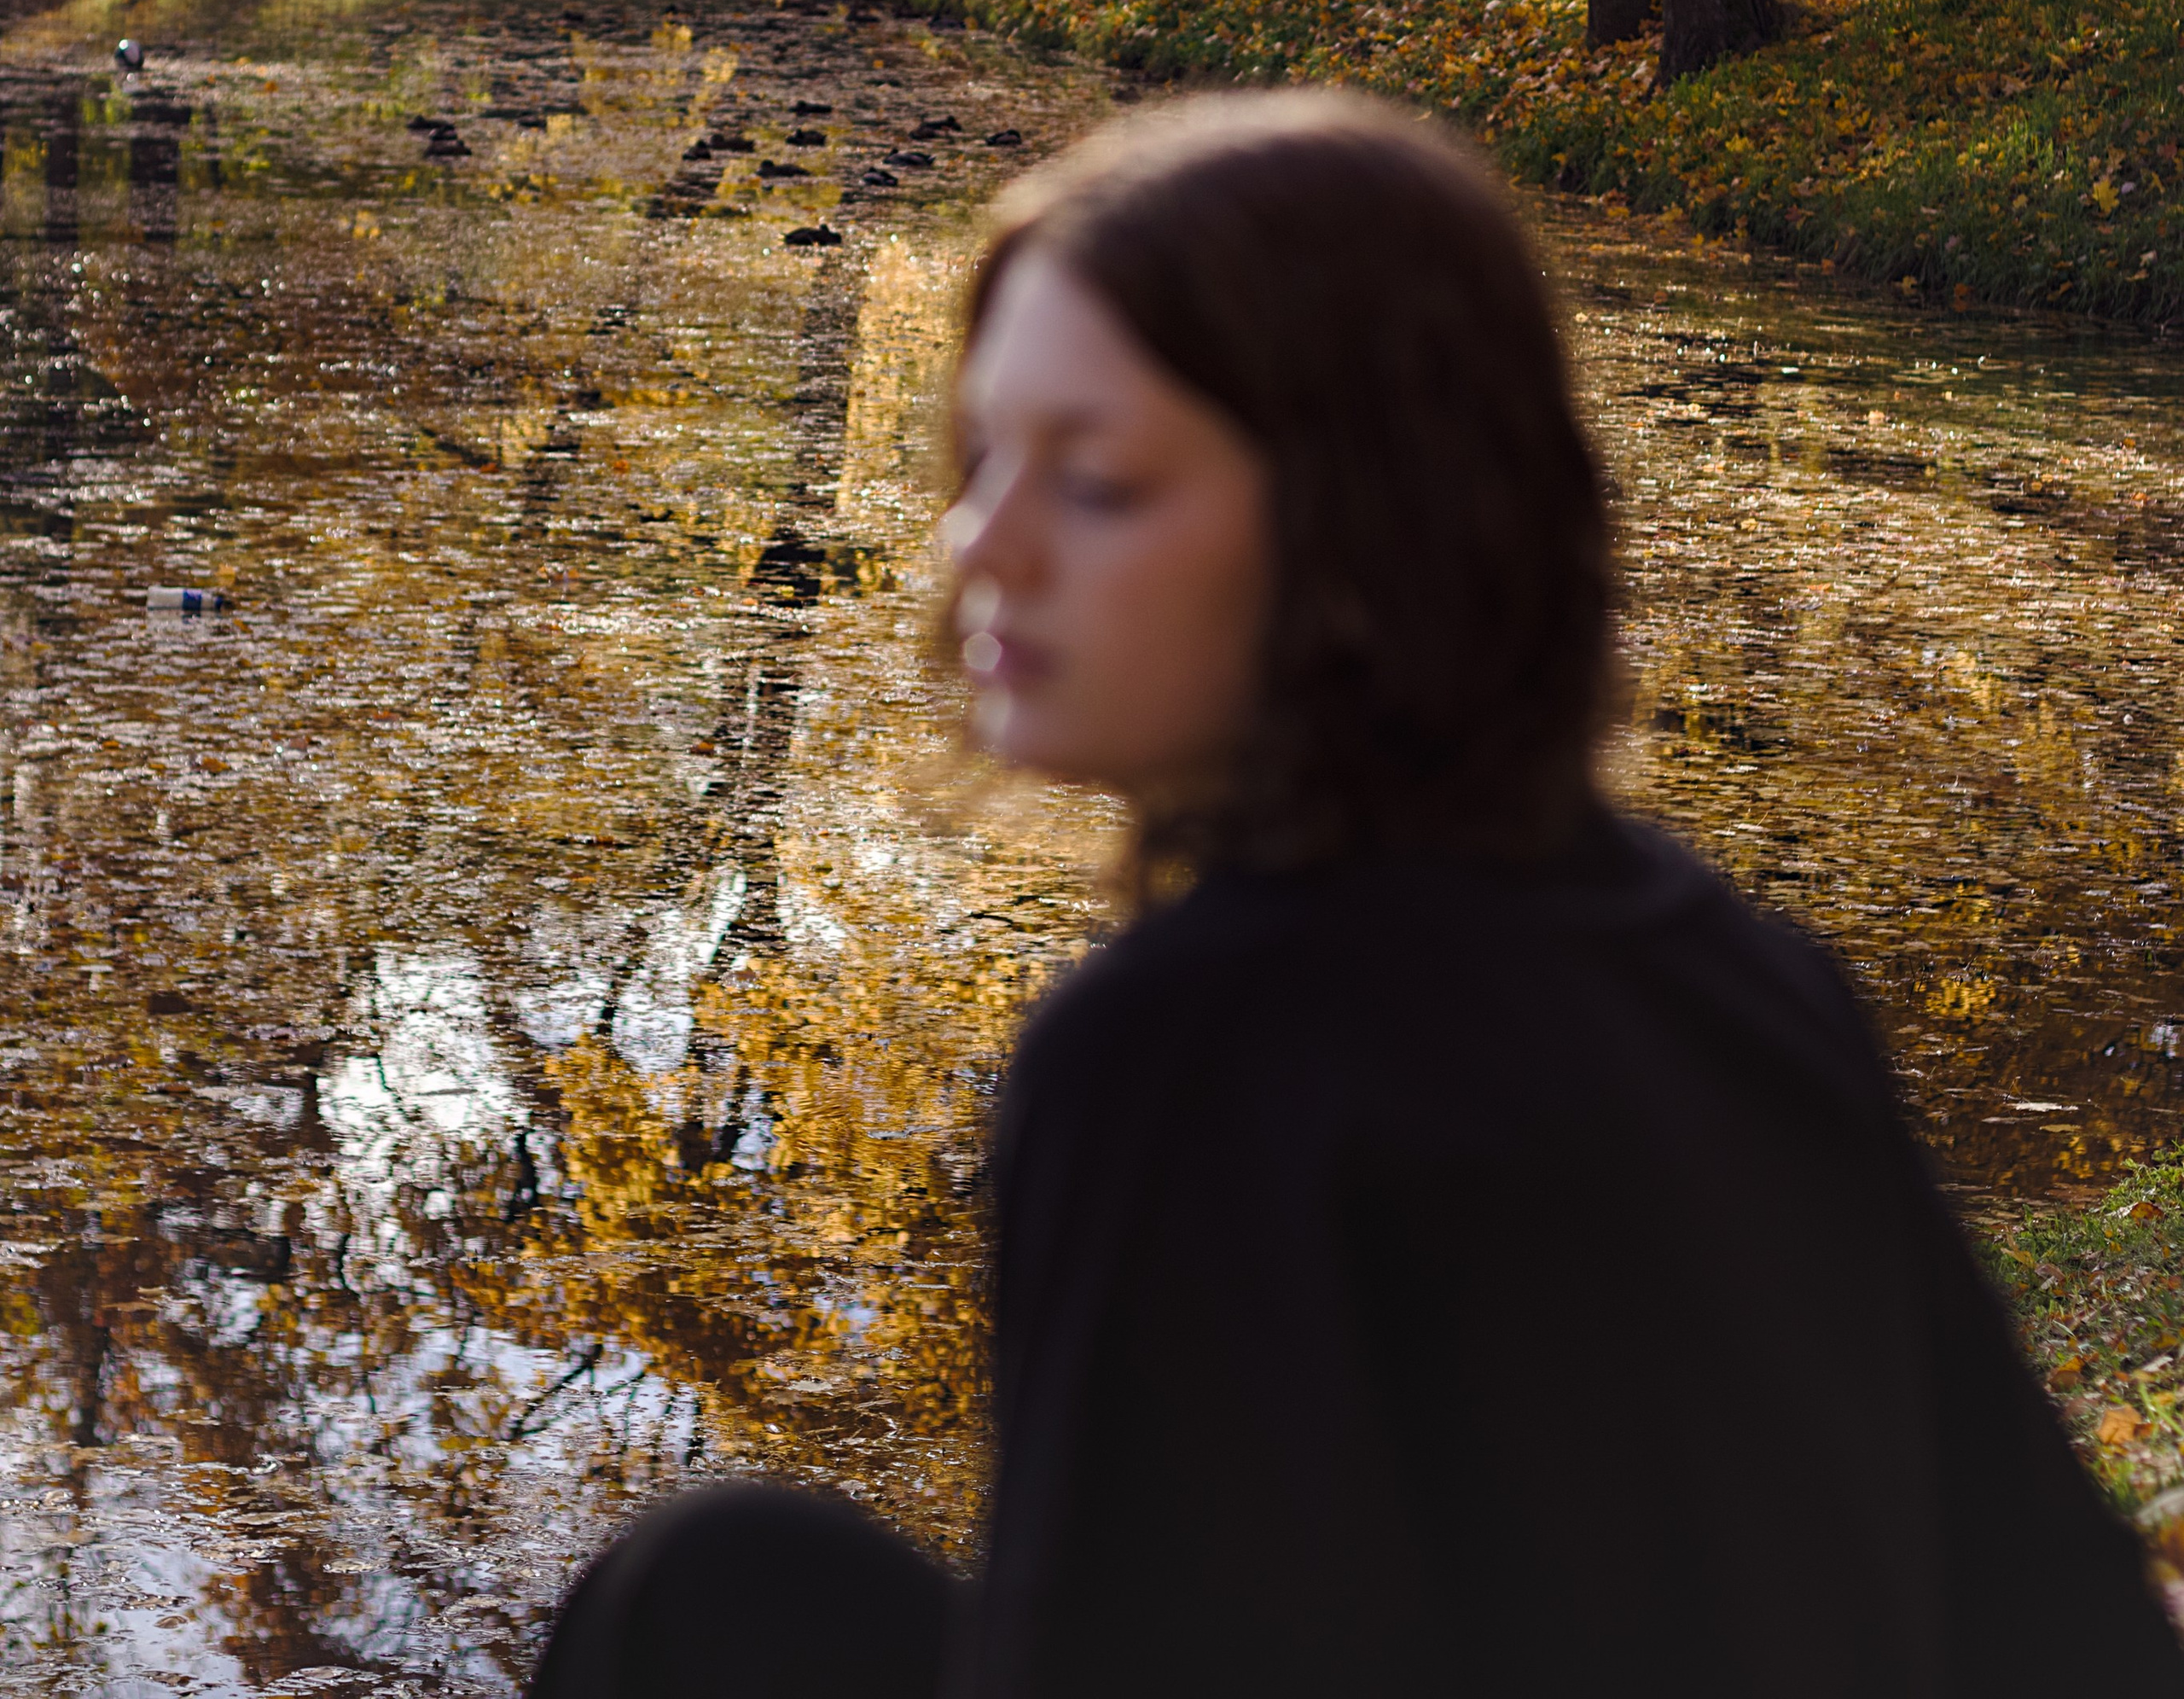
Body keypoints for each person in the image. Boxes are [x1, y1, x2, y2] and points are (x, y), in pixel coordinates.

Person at [530, 90, 2184, 1697]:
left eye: (1094, 480)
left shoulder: (1174, 1053)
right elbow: (2066, 1623)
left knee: (681, 1612)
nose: (982, 544)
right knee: (723, 1600)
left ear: (1363, 525)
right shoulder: (1736, 969)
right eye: (980, 454)